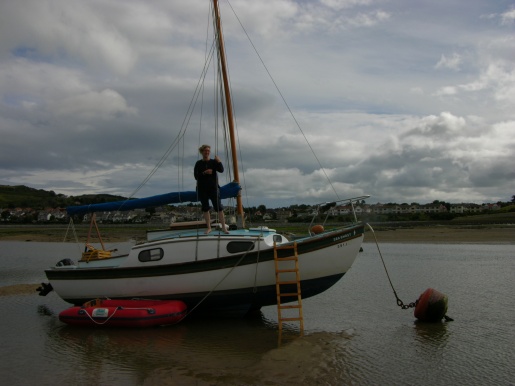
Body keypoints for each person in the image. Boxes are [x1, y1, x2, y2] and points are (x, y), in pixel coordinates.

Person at [194, 144, 229, 234]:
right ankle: (209, 228)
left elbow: (221, 170)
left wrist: (219, 161)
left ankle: (224, 228)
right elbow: (196, 176)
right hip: (202, 189)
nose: (207, 152)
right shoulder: (198, 163)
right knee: (205, 208)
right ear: (202, 152)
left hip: (213, 188)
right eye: (205, 150)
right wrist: (205, 173)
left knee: (219, 208)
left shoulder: (213, 162)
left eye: (208, 151)